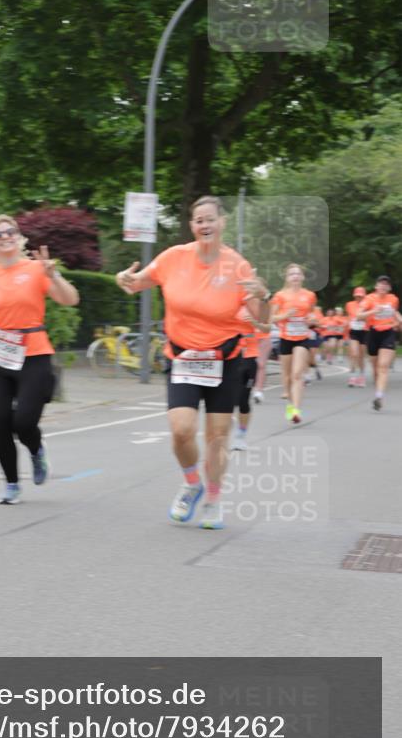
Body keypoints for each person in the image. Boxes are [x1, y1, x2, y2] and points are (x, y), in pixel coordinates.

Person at [116, 195, 270, 530]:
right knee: (181, 431)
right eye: (198, 220)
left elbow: (263, 323)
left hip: (224, 360)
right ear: (191, 225)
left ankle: (213, 498)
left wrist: (262, 295)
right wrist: (124, 279)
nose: (205, 225)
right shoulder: (174, 257)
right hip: (183, 358)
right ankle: (192, 483)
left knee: (217, 435)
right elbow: (137, 282)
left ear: (222, 222)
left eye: (210, 219)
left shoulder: (237, 266)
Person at [0, 215, 79, 504]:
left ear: (18, 237)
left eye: (10, 232)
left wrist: (53, 275)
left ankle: (36, 450)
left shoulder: (35, 269)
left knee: (24, 421)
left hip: (34, 353)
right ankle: (12, 484)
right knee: (1, 422)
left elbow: (71, 299)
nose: (5, 237)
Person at [270, 265, 318, 424]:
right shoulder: (280, 296)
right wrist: (286, 315)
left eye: (298, 273)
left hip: (303, 338)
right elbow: (271, 319)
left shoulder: (310, 295)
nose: (295, 276)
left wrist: (312, 319)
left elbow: (314, 316)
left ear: (303, 277)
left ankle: (296, 410)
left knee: (297, 374)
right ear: (287, 278)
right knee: (288, 376)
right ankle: (290, 405)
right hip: (286, 338)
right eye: (292, 274)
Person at [358, 276, 402, 411]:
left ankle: (379, 396)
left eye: (386, 284)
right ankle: (378, 388)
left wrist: (400, 320)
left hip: (388, 333)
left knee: (383, 367)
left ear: (389, 288)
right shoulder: (369, 299)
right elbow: (359, 315)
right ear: (376, 286)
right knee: (376, 368)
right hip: (373, 334)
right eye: (380, 284)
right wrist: (373, 311)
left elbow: (394, 312)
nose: (383, 286)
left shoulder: (393, 299)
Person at [233, 311, 271, 449]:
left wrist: (255, 323)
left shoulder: (255, 314)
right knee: (229, 399)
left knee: (243, 400)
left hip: (249, 361)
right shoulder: (229, 311)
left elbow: (266, 330)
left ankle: (240, 436)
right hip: (230, 361)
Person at [345, 287, 368, 387]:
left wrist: (364, 319)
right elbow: (349, 317)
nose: (359, 297)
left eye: (361, 296)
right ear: (354, 295)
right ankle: (353, 376)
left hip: (364, 331)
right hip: (354, 331)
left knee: (361, 356)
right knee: (354, 354)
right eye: (357, 295)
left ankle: (361, 376)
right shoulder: (349, 305)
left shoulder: (368, 304)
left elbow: (370, 317)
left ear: (364, 296)